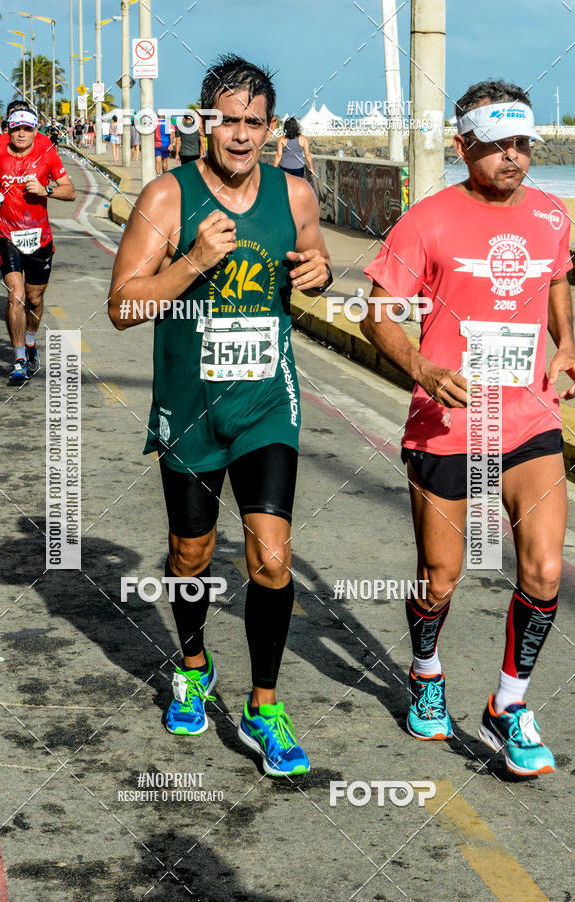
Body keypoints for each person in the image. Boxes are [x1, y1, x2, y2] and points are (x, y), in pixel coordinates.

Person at [108, 53, 332, 777]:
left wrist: (319, 273)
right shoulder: (166, 200)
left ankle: (265, 706)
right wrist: (193, 262)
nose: (240, 136)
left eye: (254, 124)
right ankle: (195, 662)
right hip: (190, 406)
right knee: (191, 556)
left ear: (272, 128)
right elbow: (123, 307)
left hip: (268, 399)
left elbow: (316, 260)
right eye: (228, 121)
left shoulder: (294, 194)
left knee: (270, 555)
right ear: (204, 122)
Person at [361, 80, 574, 777]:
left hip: (529, 419)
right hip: (448, 423)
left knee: (543, 568)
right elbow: (375, 314)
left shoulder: (552, 213)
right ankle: (427, 670)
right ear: (464, 147)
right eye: (497, 146)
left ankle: (507, 705)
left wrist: (566, 343)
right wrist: (423, 369)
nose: (513, 157)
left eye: (522, 145)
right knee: (440, 580)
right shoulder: (426, 221)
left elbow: (558, 280)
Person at [0, 107, 76, 385]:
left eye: (27, 129)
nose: (21, 133)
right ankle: (19, 359)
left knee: (34, 298)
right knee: (16, 296)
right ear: (9, 129)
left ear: (35, 130)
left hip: (39, 236)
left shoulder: (46, 154)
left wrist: (47, 190)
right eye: (16, 128)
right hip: (6, 233)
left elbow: (70, 190)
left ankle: (30, 343)